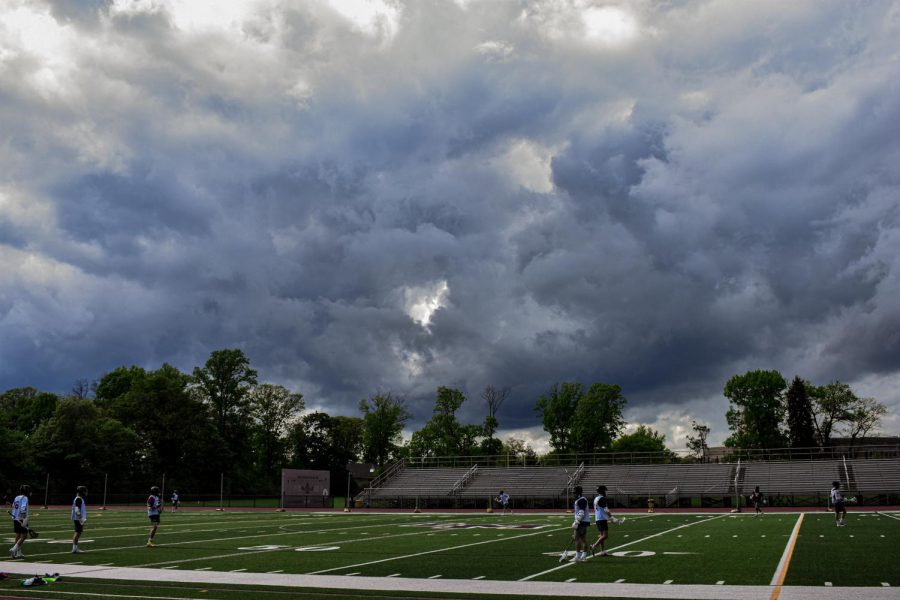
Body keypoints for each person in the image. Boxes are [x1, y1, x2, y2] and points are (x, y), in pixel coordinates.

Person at [590, 485, 617, 557]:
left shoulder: (596, 498)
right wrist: (612, 517)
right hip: (602, 518)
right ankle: (594, 546)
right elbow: (606, 509)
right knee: (605, 536)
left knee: (601, 535)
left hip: (598, 518)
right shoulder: (602, 498)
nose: (606, 492)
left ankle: (602, 551)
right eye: (605, 490)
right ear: (603, 491)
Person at [9, 484, 31, 559]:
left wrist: (14, 516)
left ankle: (17, 553)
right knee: (24, 536)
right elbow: (23, 508)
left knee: (18, 535)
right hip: (22, 518)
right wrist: (23, 519)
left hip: (15, 518)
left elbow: (13, 507)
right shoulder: (25, 498)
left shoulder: (17, 497)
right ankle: (14, 549)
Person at [570, 485, 591, 562]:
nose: (573, 494)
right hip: (584, 522)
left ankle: (578, 556)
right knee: (583, 539)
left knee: (577, 538)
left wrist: (576, 522)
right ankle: (584, 556)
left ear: (578, 493)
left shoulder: (580, 500)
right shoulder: (582, 499)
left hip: (581, 522)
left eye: (574, 493)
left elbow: (581, 513)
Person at [71, 486, 88, 553]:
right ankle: (74, 548)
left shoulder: (79, 498)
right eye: (84, 491)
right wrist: (80, 518)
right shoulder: (78, 499)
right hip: (78, 518)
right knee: (77, 532)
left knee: (78, 532)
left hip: (78, 518)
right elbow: (77, 509)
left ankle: (75, 548)